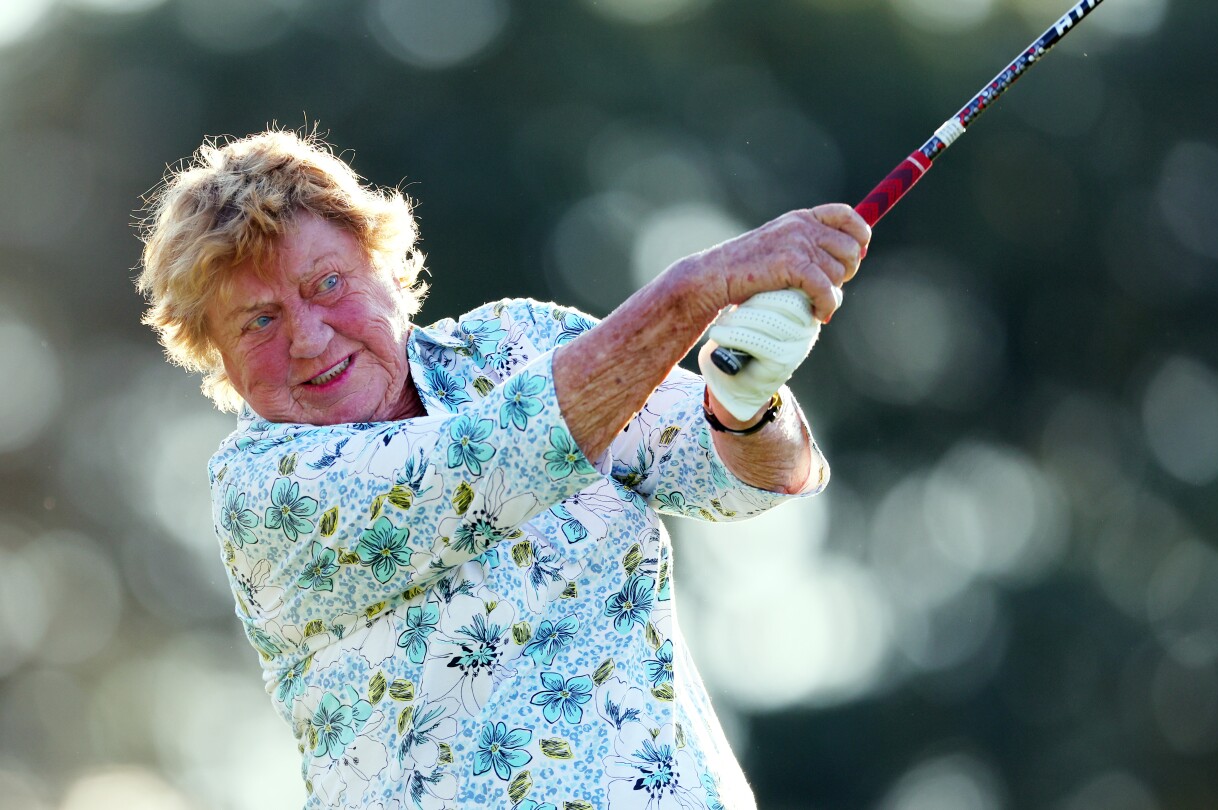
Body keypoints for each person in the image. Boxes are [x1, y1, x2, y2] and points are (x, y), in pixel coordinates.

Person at [136, 128, 868, 809]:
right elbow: (496, 460)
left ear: (383, 265)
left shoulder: (520, 341)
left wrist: (743, 402)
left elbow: (748, 476)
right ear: (216, 354)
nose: (307, 338)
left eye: (326, 284)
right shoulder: (262, 492)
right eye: (258, 321)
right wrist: (694, 289)